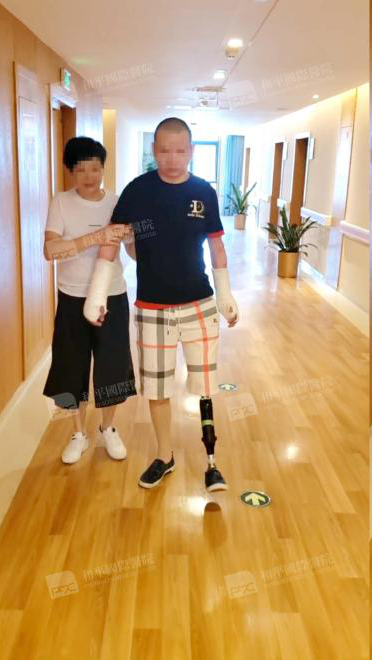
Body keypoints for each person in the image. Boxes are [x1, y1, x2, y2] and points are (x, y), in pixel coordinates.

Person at [83, 117, 239, 492]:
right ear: (154, 150)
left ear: (191, 151)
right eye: (164, 150)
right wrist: (97, 293)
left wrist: (225, 293)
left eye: (180, 150)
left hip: (199, 303)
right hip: (152, 308)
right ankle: (164, 456)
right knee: (156, 389)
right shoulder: (137, 191)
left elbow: (216, 246)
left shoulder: (204, 192)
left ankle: (211, 462)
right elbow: (112, 240)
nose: (172, 158)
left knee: (205, 386)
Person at [43, 136, 136, 464]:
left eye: (95, 168)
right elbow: (50, 250)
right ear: (70, 171)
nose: (88, 176)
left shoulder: (117, 203)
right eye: (81, 169)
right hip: (72, 298)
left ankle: (108, 428)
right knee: (71, 367)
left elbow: (133, 253)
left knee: (113, 365)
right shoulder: (61, 203)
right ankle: (78, 433)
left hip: (112, 296)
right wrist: (96, 237)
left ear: (103, 169)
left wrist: (133, 239)